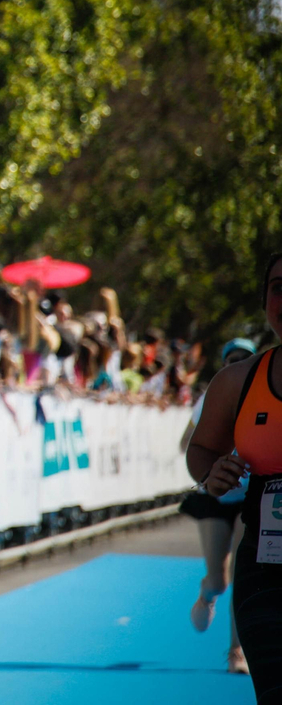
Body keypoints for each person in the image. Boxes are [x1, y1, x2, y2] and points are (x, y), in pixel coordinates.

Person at [187, 252, 282, 699]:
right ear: (265, 302)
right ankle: (231, 643)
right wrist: (212, 472)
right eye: (278, 289)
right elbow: (200, 448)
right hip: (265, 573)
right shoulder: (237, 381)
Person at [181, 338, 257, 674]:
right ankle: (208, 592)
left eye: (244, 358)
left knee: (243, 574)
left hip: (250, 496)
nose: (237, 363)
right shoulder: (210, 397)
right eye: (231, 358)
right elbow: (186, 444)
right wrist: (213, 458)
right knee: (220, 579)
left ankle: (236, 651)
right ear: (223, 364)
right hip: (214, 496)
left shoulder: (263, 392)